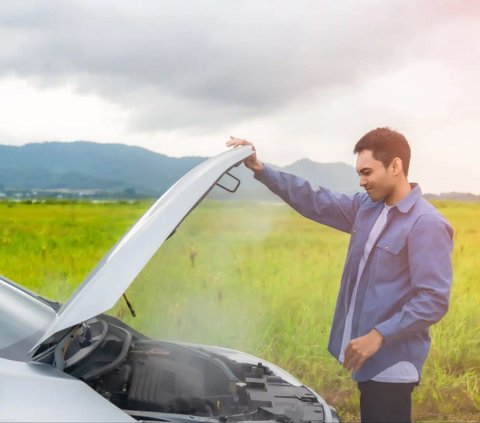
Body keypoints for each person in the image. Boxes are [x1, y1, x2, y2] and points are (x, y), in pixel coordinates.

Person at [226, 128, 453, 423]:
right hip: (368, 360)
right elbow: (313, 199)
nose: (361, 181)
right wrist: (260, 169)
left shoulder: (427, 223)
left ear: (396, 166)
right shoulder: (366, 208)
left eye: (367, 172)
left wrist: (379, 335)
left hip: (393, 364)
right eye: (359, 173)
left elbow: (434, 299)